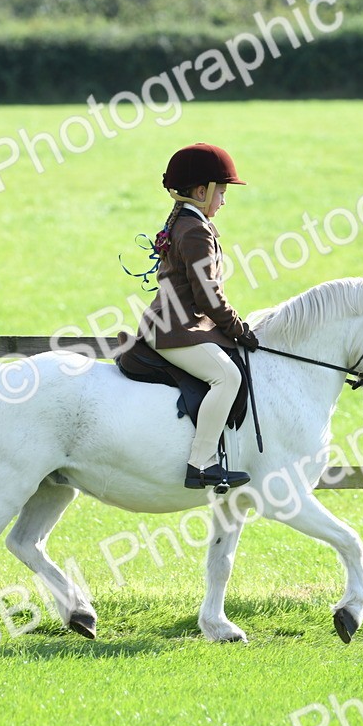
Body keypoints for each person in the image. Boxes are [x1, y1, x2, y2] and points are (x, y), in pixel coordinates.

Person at [137, 143, 260, 490]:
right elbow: (208, 294)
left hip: (175, 324)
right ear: (202, 191)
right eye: (221, 192)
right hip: (175, 329)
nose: (223, 200)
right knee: (228, 377)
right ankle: (202, 463)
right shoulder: (195, 230)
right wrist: (237, 328)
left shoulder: (189, 222)